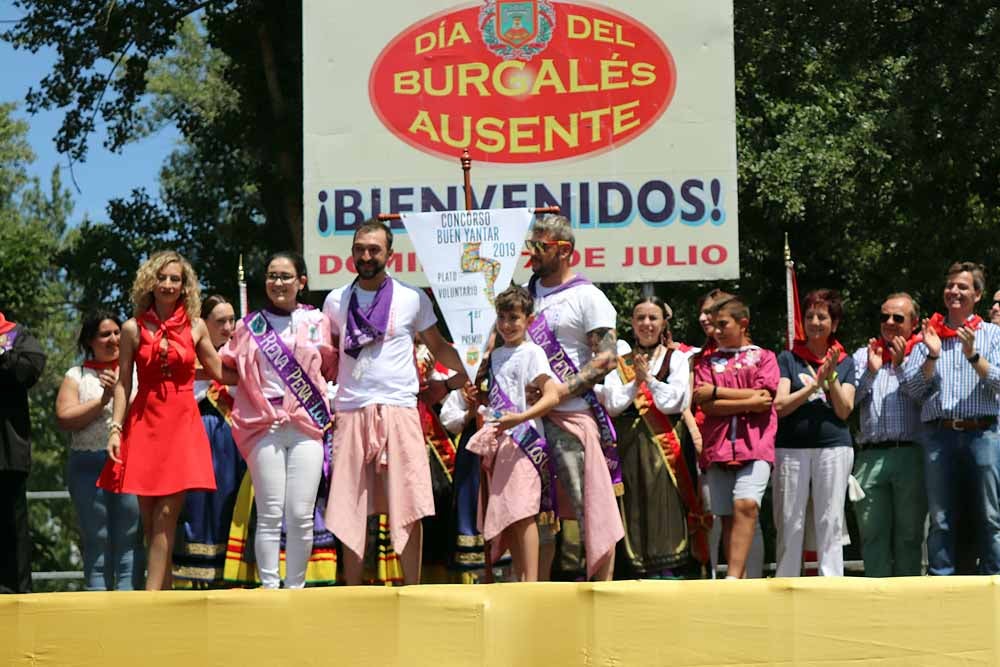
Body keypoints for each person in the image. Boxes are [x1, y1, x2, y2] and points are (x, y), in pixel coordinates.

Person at [323, 219, 469, 585]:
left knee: (408, 504)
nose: (366, 256)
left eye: (374, 250)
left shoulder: (411, 297)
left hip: (400, 408)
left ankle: (413, 589)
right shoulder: (335, 300)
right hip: (351, 408)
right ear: (352, 253)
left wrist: (472, 367)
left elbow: (437, 348)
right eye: (360, 249)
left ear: (390, 254)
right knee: (348, 506)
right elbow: (325, 357)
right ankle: (352, 591)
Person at [97, 250, 233, 591]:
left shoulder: (197, 325)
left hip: (182, 423)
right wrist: (115, 428)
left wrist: (254, 359)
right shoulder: (131, 328)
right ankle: (166, 595)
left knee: (166, 516)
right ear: (150, 282)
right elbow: (124, 383)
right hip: (143, 422)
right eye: (162, 278)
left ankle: (150, 599)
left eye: (176, 279)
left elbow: (219, 372)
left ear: (185, 286)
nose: (169, 284)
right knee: (148, 522)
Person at [220, 253, 337, 589]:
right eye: (272, 276)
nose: (278, 283)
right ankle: (270, 587)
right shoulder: (249, 325)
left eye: (286, 276)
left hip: (306, 423)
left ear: (302, 281)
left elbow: (329, 367)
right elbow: (228, 367)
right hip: (264, 423)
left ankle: (295, 588)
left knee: (301, 513)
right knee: (270, 511)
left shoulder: (318, 321)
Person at [525, 214, 625, 581]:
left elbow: (606, 358)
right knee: (533, 510)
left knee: (589, 507)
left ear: (564, 250)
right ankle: (532, 591)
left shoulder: (588, 296)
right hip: (527, 419)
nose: (531, 253)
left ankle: (602, 588)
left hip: (571, 414)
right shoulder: (523, 295)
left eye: (540, 246)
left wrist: (558, 393)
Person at [902, 262, 1000, 575]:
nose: (954, 292)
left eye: (962, 286)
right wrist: (931, 355)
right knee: (940, 519)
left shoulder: (993, 335)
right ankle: (940, 583)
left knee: (990, 517)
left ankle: (994, 581)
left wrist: (973, 355)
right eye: (950, 286)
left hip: (983, 434)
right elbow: (914, 391)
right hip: (940, 437)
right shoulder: (929, 334)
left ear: (978, 294)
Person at [465, 286, 561, 582]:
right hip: (500, 445)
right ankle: (520, 578)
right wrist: (474, 401)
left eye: (514, 318)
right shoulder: (493, 357)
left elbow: (552, 395)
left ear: (529, 320)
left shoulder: (532, 352)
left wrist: (520, 417)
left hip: (525, 441)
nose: (507, 324)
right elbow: (492, 400)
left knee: (523, 513)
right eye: (502, 317)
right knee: (510, 516)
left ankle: (531, 581)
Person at [595, 296, 696, 577]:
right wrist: (636, 383)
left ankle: (669, 567)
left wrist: (648, 381)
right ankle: (637, 567)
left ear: (664, 322)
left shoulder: (676, 357)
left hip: (663, 442)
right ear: (632, 322)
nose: (646, 324)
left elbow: (675, 401)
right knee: (634, 501)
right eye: (640, 318)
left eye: (653, 318)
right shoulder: (621, 360)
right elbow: (614, 403)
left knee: (665, 501)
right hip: (629, 441)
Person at [692, 295, 779, 579]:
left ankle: (732, 578)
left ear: (743, 323)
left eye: (722, 324)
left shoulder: (764, 357)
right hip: (718, 448)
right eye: (714, 325)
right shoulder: (708, 361)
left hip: (755, 445)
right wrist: (747, 399)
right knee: (727, 517)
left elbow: (765, 397)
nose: (716, 331)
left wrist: (717, 392)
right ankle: (735, 576)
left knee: (746, 505)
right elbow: (705, 404)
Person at [56, 311, 143, 590]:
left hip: (130, 462)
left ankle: (129, 604)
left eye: (117, 333)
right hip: (87, 463)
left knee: (130, 535)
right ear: (90, 341)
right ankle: (96, 601)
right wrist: (103, 400)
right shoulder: (77, 374)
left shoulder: (137, 371)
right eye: (105, 334)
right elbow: (65, 418)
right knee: (97, 536)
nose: (114, 339)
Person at [774, 288, 857, 577]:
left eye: (822, 317)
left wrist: (830, 375)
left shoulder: (846, 361)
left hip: (833, 447)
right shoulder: (788, 358)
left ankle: (831, 583)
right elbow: (780, 405)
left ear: (833, 323)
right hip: (791, 448)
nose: (815, 322)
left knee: (830, 520)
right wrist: (812, 385)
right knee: (789, 521)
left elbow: (844, 409)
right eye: (809, 316)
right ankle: (786, 580)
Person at [852, 293, 927, 577]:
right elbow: (847, 404)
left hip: (910, 453)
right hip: (870, 456)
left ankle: (909, 604)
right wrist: (871, 372)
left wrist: (900, 366)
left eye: (898, 317)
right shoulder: (863, 354)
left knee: (909, 536)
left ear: (914, 323)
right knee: (872, 535)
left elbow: (926, 399)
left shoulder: (923, 354)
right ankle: (876, 601)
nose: (890, 322)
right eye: (885, 316)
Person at [172, 295, 245, 586]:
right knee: (201, 504)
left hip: (236, 438)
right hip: (202, 432)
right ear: (203, 324)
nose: (228, 327)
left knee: (234, 503)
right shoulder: (189, 357)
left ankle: (236, 572)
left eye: (232, 320)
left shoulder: (244, 352)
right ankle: (198, 573)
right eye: (221, 321)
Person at [0, 310, 46, 594]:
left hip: (5, 452)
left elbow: (29, 371)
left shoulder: (15, 334)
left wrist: (2, 350)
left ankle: (16, 599)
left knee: (11, 531)